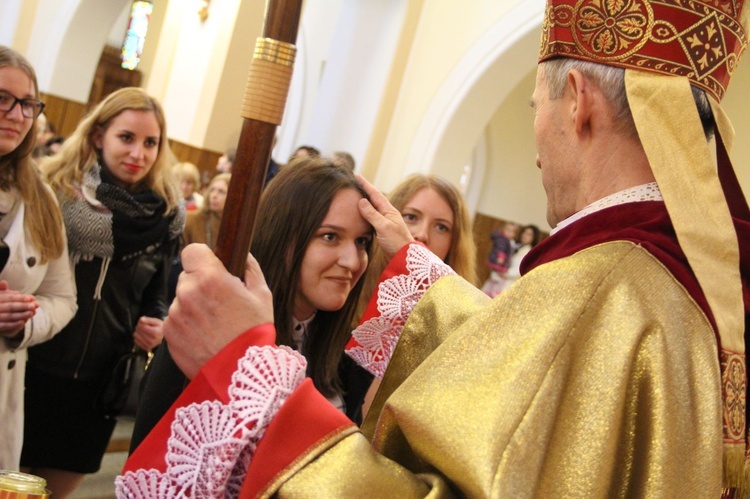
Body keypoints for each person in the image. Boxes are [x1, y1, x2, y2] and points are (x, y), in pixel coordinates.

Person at [119, 0, 750, 496]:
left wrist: (249, 376)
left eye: (536, 106)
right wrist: (415, 275)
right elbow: (537, 394)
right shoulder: (696, 289)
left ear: (578, 101)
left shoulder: (600, 285)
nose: (535, 148)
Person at [129, 157, 373, 451]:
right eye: (330, 236)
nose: (352, 260)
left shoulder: (351, 353)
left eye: (361, 241)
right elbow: (153, 450)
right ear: (283, 237)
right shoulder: (211, 330)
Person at [21, 87, 184, 497]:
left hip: (98, 384)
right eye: (126, 137)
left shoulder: (164, 214)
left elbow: (158, 292)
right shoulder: (52, 191)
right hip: (31, 365)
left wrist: (156, 323)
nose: (139, 153)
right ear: (98, 135)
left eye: (151, 143)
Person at [0, 46, 77, 471]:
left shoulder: (41, 197)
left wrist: (24, 321)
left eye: (27, 104)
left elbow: (63, 297)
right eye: (2, 99)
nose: (16, 114)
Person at [480, 221, 519, 297]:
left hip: (503, 263)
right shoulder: (503, 240)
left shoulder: (510, 241)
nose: (508, 232)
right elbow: (500, 249)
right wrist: (500, 257)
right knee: (496, 273)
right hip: (499, 260)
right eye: (507, 229)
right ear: (503, 229)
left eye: (511, 231)